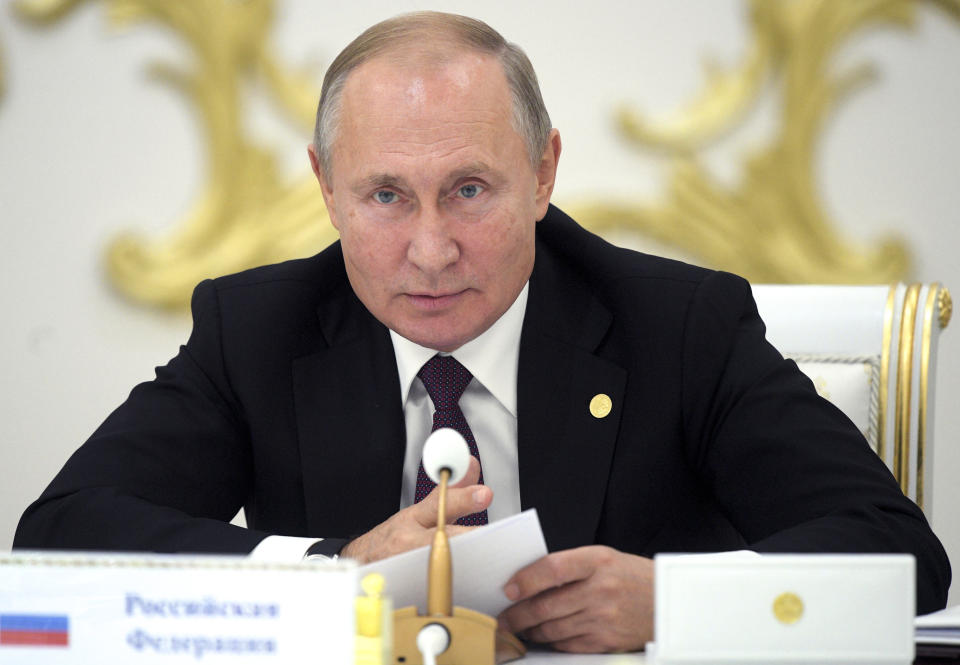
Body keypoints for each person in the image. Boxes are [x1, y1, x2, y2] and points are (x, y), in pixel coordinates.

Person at [14, 11, 950, 653]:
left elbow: (901, 558)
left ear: (543, 174)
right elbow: (61, 541)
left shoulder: (679, 326)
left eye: (468, 190)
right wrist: (330, 573)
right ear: (326, 187)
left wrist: (671, 601)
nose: (429, 251)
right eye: (385, 195)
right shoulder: (256, 331)